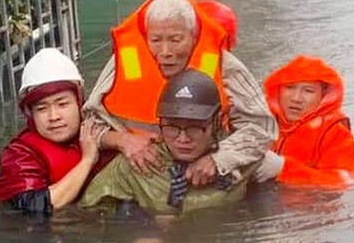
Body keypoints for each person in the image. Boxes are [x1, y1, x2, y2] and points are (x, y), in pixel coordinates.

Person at [84, 0, 276, 188]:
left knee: (274, 165)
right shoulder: (124, 62)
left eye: (175, 40)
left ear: (194, 38)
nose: (166, 52)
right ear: (145, 38)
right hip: (143, 164)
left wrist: (220, 159)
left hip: (207, 157)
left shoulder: (223, 64)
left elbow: (262, 128)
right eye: (156, 40)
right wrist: (123, 141)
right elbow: (88, 124)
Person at [81, 69, 256, 213]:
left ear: (216, 121)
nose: (182, 139)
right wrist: (136, 226)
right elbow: (88, 217)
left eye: (194, 127)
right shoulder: (138, 165)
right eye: (172, 127)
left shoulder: (243, 158)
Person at [0, 48, 110, 215]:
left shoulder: (97, 130)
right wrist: (87, 161)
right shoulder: (18, 155)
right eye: (42, 109)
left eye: (62, 104)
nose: (54, 116)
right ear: (30, 114)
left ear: (79, 102)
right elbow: (36, 208)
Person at [254, 55, 354, 187]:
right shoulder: (259, 119)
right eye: (289, 87)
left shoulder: (334, 133)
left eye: (308, 91)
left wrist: (284, 169)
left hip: (309, 205)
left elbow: (350, 180)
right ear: (278, 90)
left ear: (323, 96)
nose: (296, 98)